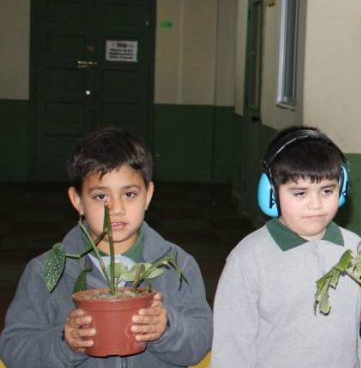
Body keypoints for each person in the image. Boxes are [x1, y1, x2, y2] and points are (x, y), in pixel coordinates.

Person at [0, 127, 212, 367]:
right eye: (101, 197)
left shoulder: (176, 264)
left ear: (148, 195)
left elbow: (201, 339)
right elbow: (14, 349)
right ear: (77, 200)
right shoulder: (45, 271)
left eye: (129, 194)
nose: (116, 209)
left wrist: (167, 328)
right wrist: (64, 343)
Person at [211, 126, 361, 368]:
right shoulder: (248, 258)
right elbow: (232, 348)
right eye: (299, 193)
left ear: (342, 190)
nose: (316, 204)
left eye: (327, 190)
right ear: (271, 193)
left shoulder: (356, 248)